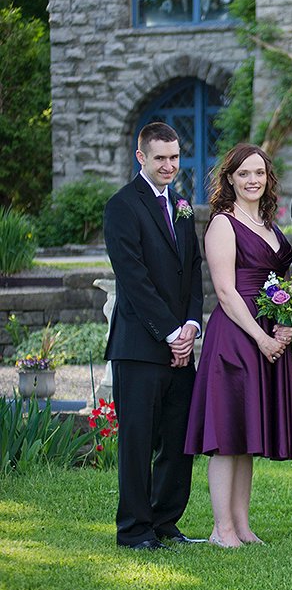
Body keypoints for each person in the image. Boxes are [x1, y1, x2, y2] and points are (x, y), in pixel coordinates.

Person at [184, 144, 292, 547]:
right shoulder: (223, 223)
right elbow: (225, 290)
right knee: (227, 433)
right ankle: (221, 529)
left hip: (271, 330)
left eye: (259, 173)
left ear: (268, 178)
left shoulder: (271, 226)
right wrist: (261, 337)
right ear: (230, 179)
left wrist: (285, 327)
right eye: (244, 174)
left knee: (247, 433)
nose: (253, 180)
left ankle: (241, 524)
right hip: (236, 336)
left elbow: (284, 286)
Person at [103, 122, 203, 550]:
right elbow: (134, 279)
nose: (169, 165)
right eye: (160, 158)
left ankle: (165, 522)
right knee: (138, 442)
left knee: (179, 442)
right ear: (140, 157)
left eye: (175, 158)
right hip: (140, 347)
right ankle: (134, 529)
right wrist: (169, 333)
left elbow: (193, 272)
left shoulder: (181, 205)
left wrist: (192, 327)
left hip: (182, 345)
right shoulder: (122, 206)